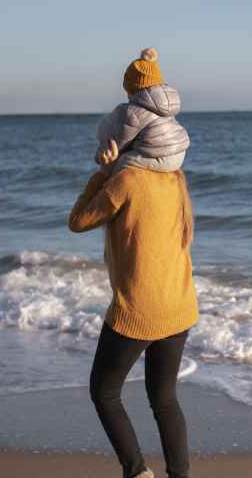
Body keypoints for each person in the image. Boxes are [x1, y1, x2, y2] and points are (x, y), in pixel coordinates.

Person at [68, 137, 198, 478]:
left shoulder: (126, 180)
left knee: (104, 391)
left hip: (138, 309)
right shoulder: (175, 176)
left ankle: (137, 471)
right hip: (179, 304)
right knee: (164, 398)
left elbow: (79, 220)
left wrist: (103, 173)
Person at [96, 48, 190, 174]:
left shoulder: (133, 112)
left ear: (130, 88)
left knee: (121, 164)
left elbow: (121, 141)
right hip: (179, 153)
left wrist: (101, 158)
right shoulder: (164, 104)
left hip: (160, 157)